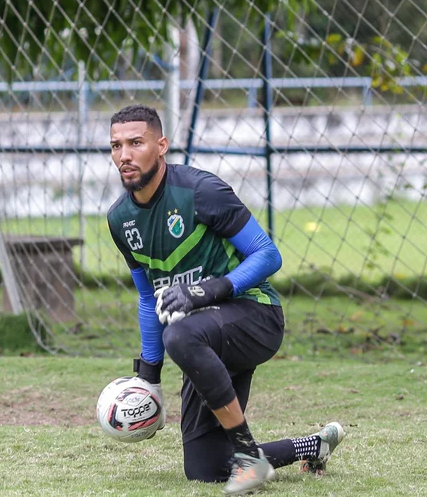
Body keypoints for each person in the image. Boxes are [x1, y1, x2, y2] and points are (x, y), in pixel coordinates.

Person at [105, 104, 344, 495]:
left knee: (179, 335)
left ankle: (250, 456)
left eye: (136, 143)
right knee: (205, 468)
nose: (125, 155)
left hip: (255, 315)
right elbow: (149, 298)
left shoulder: (201, 191)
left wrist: (208, 290)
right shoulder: (120, 220)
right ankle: (311, 445)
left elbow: (268, 255)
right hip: (202, 335)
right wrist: (148, 379)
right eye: (116, 146)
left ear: (161, 145)